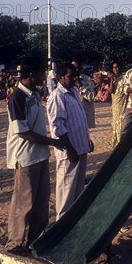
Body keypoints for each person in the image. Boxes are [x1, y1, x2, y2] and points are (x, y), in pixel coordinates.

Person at [5, 56, 65, 254]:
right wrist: (53, 142)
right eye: (41, 73)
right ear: (31, 75)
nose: (44, 77)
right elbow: (22, 132)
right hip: (25, 158)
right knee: (23, 204)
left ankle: (34, 241)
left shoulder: (34, 94)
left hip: (40, 155)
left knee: (41, 202)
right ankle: (14, 244)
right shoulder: (17, 97)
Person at [47, 63, 93, 220]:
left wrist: (87, 141)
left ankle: (73, 223)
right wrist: (70, 149)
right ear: (60, 77)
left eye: (75, 76)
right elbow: (57, 126)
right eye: (70, 76)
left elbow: (79, 120)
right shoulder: (57, 96)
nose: (74, 79)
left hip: (81, 147)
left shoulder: (73, 92)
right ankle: (62, 224)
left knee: (78, 189)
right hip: (69, 152)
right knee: (66, 191)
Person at [71, 58, 96, 129]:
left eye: (77, 67)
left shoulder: (87, 79)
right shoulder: (66, 81)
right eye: (73, 67)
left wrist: (82, 87)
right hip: (72, 115)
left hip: (85, 114)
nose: (75, 70)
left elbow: (91, 97)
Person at [108, 60, 127, 147]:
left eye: (117, 67)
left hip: (122, 103)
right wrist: (111, 80)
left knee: (121, 122)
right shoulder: (113, 79)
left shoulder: (124, 78)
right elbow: (111, 91)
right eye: (113, 67)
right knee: (115, 122)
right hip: (115, 104)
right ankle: (116, 141)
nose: (115, 69)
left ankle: (120, 142)